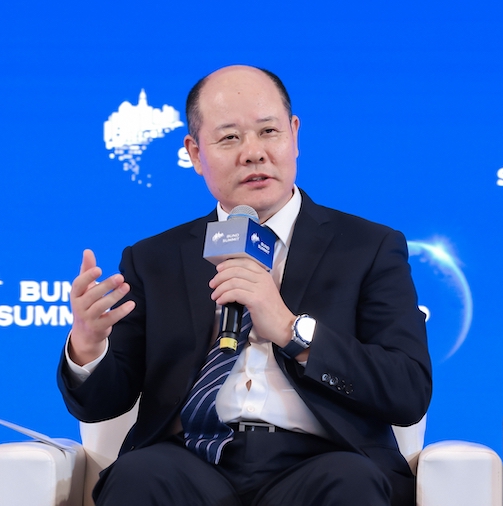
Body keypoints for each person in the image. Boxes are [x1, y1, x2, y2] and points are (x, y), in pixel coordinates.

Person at [58, 65, 432, 506]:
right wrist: (87, 348)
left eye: (269, 131)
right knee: (137, 476)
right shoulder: (152, 259)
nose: (253, 153)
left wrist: (293, 331)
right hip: (187, 458)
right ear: (195, 153)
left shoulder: (368, 247)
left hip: (325, 459)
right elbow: (101, 405)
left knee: (351, 482)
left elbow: (407, 391)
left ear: (294, 135)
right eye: (230, 138)